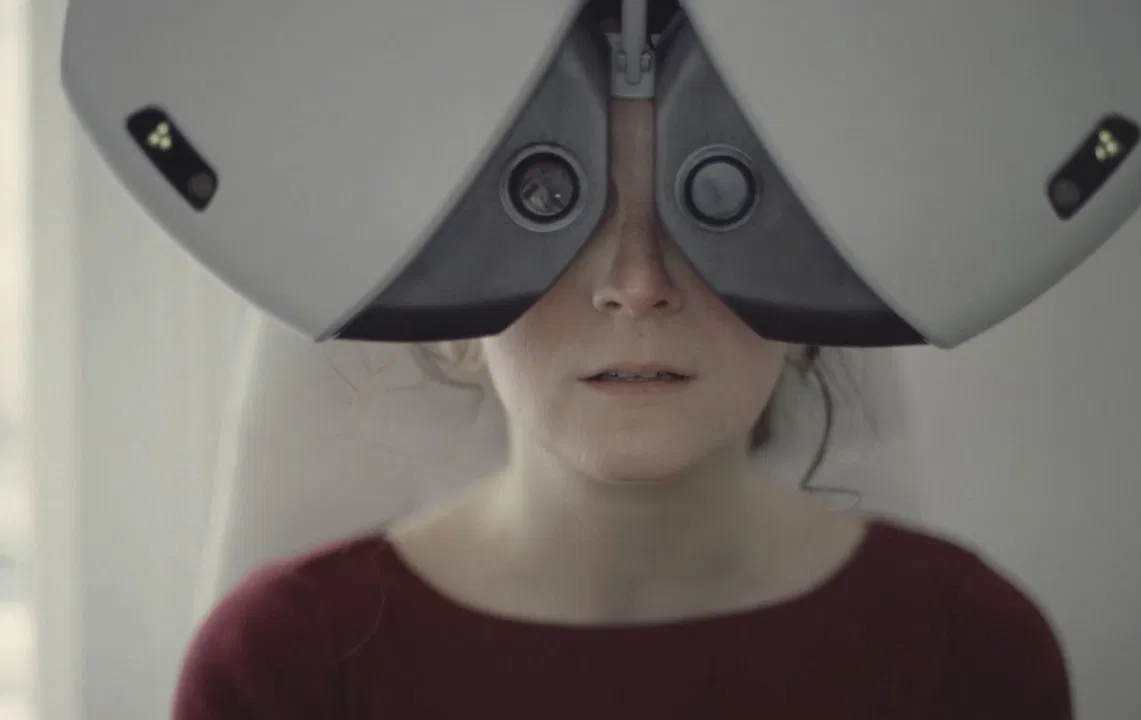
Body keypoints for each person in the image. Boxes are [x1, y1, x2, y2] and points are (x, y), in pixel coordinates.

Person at [171, 7, 1072, 719]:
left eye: (715, 205)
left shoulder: (969, 643)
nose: (637, 286)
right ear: (446, 302)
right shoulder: (283, 661)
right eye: (549, 205)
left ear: (820, 291)